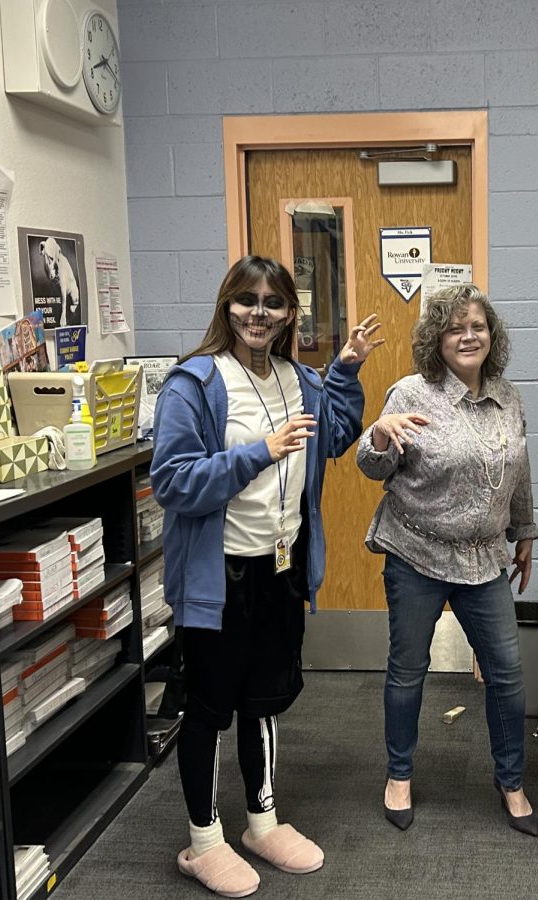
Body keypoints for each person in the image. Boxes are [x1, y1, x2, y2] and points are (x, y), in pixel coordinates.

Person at [151, 255, 384, 898]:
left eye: (274, 303)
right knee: (208, 708)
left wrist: (345, 371)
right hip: (217, 578)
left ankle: (261, 820)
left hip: (279, 571)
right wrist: (260, 451)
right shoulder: (194, 384)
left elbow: (334, 436)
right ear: (227, 306)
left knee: (264, 703)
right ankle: (203, 842)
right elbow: (171, 482)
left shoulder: (296, 379)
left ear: (289, 313)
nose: (260, 313)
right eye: (247, 301)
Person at [355, 284, 538, 837]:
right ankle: (399, 776)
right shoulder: (411, 393)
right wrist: (380, 437)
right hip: (416, 551)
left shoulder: (508, 396)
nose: (468, 335)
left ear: (492, 335)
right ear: (437, 338)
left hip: (485, 559)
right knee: (409, 670)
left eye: (478, 326)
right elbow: (372, 467)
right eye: (456, 327)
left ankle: (511, 782)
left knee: (506, 676)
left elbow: (520, 469)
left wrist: (525, 530)